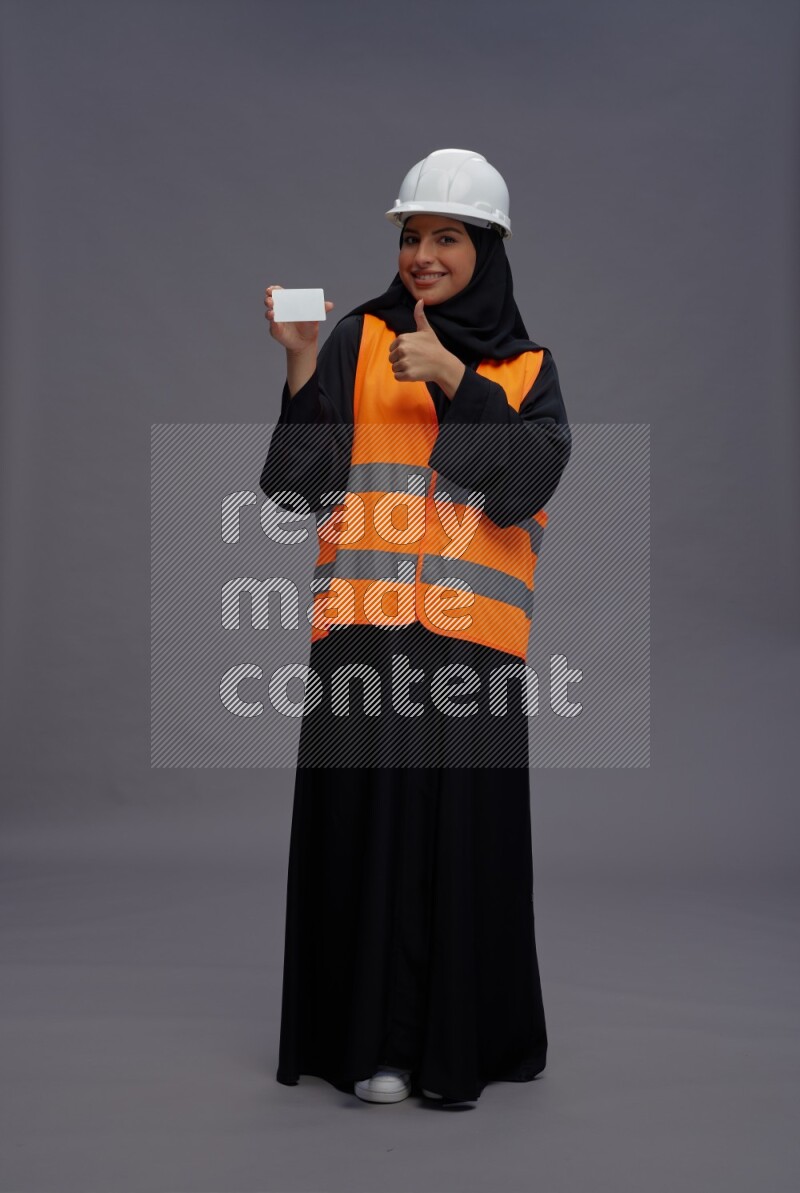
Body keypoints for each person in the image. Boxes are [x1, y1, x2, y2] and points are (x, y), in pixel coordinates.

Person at [260, 149, 572, 1107]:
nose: (423, 255)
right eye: (411, 237)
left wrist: (450, 378)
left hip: (470, 648)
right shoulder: (357, 339)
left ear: (487, 247)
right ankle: (373, 1045)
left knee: (456, 844)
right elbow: (295, 490)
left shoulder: (525, 368)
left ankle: (459, 1045)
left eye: (446, 237)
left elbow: (524, 487)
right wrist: (304, 358)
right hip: (361, 635)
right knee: (365, 837)